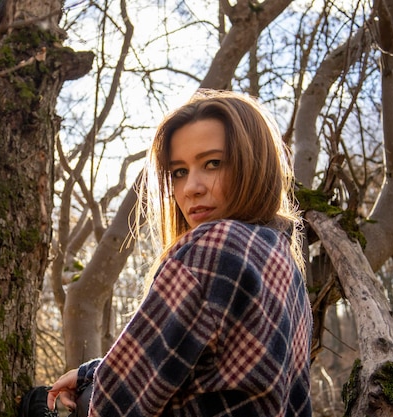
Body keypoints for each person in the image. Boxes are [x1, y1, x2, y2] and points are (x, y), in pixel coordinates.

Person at [26, 89, 312, 416]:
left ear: (253, 164)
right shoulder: (286, 267)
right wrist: (91, 372)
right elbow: (199, 368)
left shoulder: (216, 245)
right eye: (179, 172)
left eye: (213, 163)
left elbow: (115, 407)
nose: (191, 187)